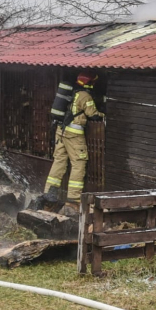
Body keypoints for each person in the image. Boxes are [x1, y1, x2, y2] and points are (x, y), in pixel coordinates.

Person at [43, 72, 102, 213]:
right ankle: (73, 199)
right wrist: (104, 115)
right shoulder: (85, 96)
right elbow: (92, 114)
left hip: (61, 131)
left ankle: (49, 192)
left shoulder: (71, 92)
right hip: (74, 135)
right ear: (89, 83)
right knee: (79, 163)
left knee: (59, 161)